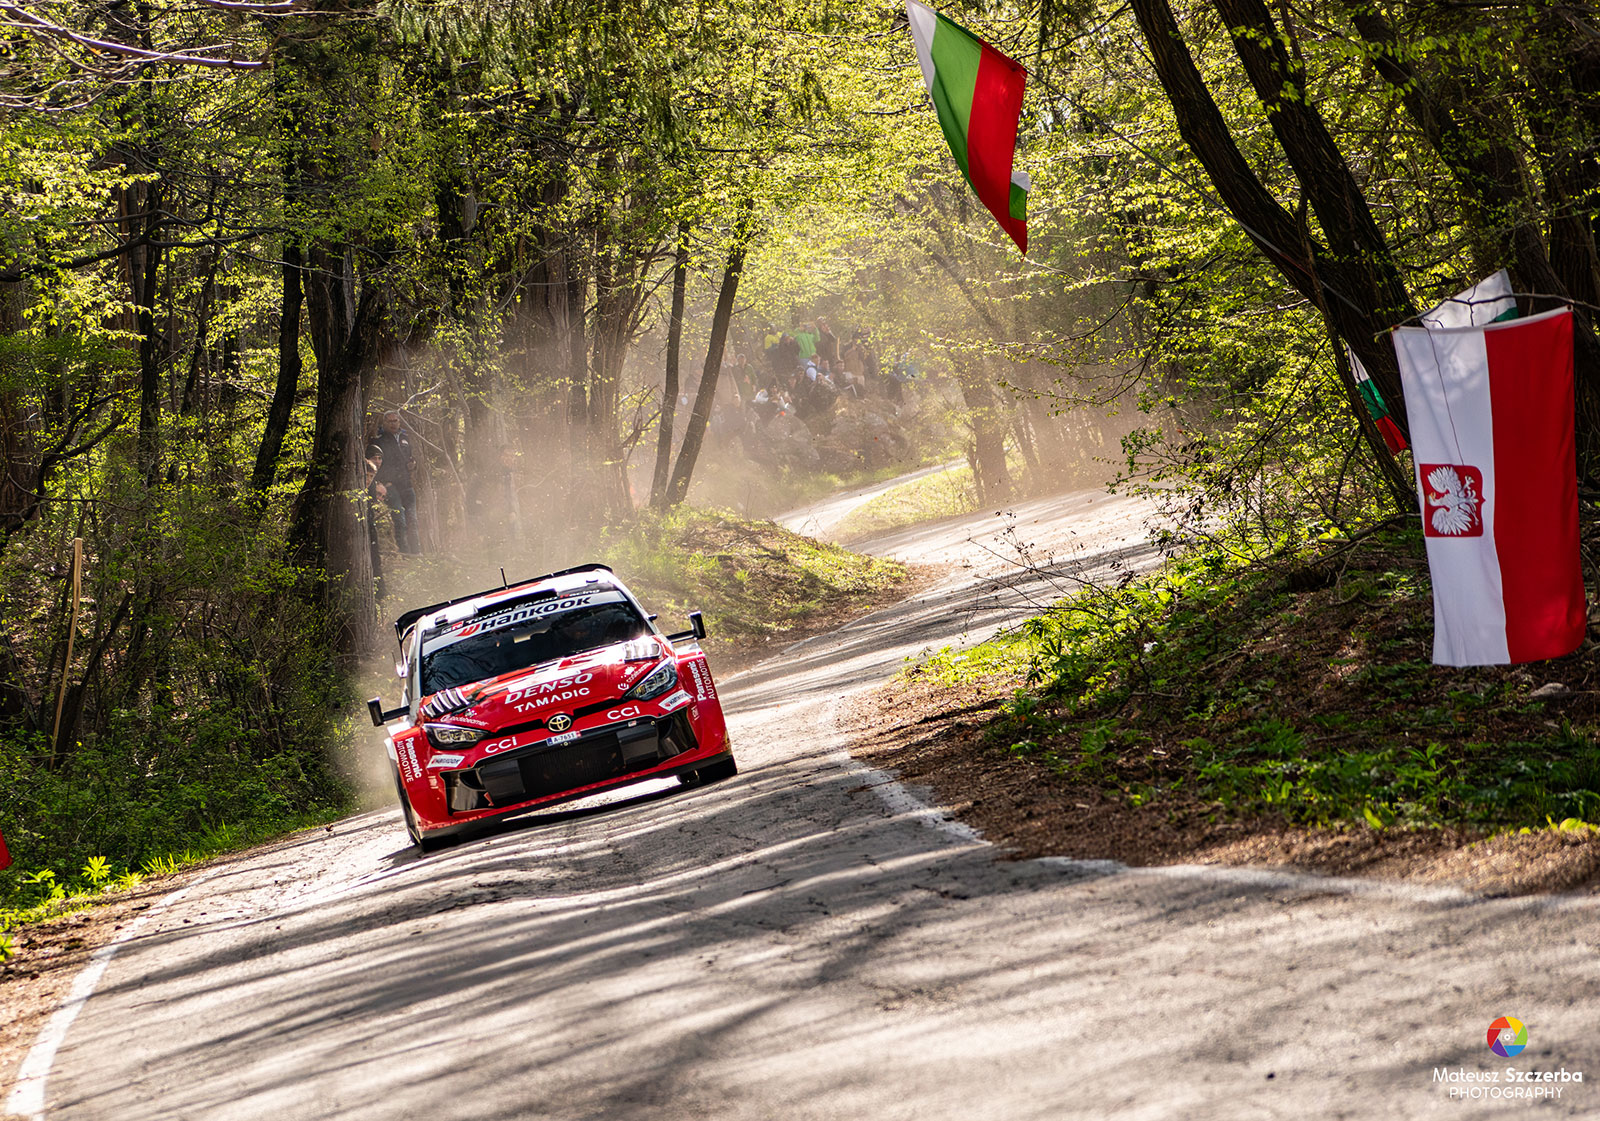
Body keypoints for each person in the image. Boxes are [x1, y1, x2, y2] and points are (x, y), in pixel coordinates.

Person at [371, 410, 421, 554]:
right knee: (400, 520)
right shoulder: (379, 441)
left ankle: (416, 553)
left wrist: (412, 465)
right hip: (391, 486)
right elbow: (375, 463)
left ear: (399, 422)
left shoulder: (405, 438)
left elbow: (410, 459)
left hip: (406, 484)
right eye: (389, 421)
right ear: (384, 423)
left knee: (413, 520)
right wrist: (384, 482)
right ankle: (405, 553)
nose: (393, 424)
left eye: (395, 421)